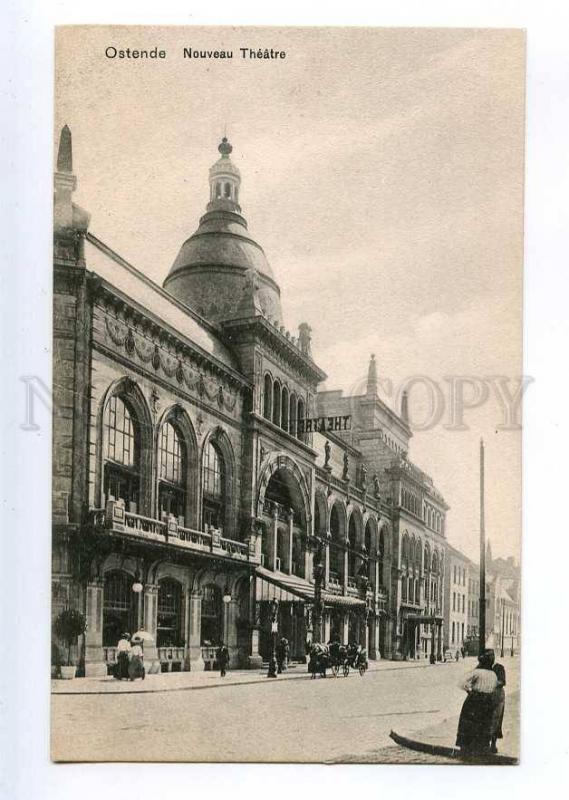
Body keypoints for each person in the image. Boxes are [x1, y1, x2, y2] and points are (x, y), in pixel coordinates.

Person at [456, 650, 499, 755]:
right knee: (484, 724)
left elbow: (461, 682)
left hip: (474, 700)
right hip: (488, 702)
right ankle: (482, 747)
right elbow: (494, 688)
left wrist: (470, 691)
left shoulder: (477, 672)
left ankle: (466, 747)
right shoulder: (494, 675)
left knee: (469, 723)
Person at [490, 661, 507, 753]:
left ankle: (493, 744)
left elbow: (503, 682)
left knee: (495, 720)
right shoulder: (481, 667)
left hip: (497, 696)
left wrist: (490, 683)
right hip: (485, 696)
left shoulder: (499, 667)